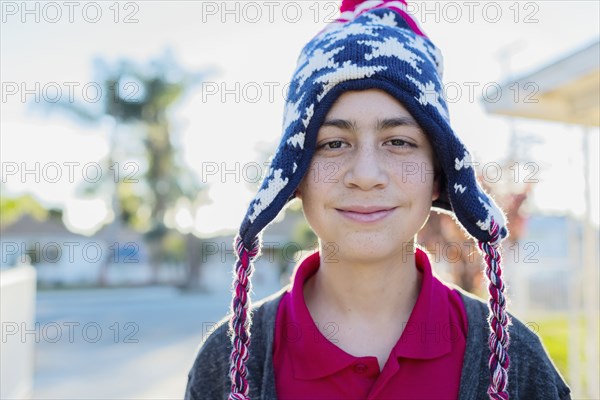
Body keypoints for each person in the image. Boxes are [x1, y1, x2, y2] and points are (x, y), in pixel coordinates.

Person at [184, 1, 570, 399]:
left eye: (399, 142)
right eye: (333, 143)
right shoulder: (230, 363)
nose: (366, 175)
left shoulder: (515, 360)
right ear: (295, 175)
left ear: (438, 174)